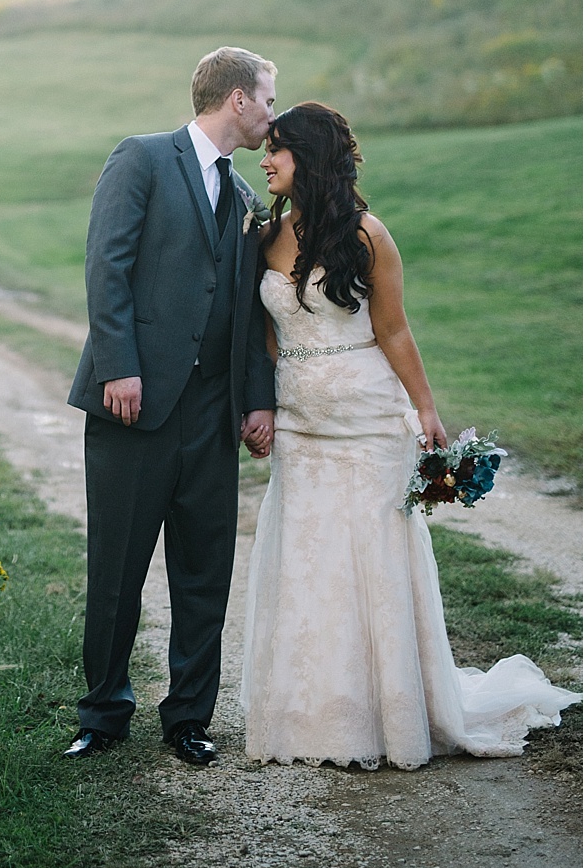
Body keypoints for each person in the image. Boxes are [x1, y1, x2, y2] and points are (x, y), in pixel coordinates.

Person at [241, 102, 581, 769]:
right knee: (309, 560)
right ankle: (313, 713)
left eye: (276, 149)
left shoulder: (369, 236)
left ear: (307, 158)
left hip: (370, 424)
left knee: (372, 559)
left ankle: (390, 715)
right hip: (302, 428)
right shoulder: (265, 234)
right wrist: (266, 405)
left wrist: (425, 410)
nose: (266, 159)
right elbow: (266, 334)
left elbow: (393, 330)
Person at [65, 46, 278, 765]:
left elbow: (248, 316)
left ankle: (189, 718)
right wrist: (118, 369)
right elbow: (107, 266)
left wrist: (257, 402)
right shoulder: (143, 158)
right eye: (268, 99)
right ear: (238, 100)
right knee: (117, 569)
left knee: (203, 573)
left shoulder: (248, 201)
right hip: (133, 408)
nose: (272, 115)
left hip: (213, 418)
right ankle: (102, 714)